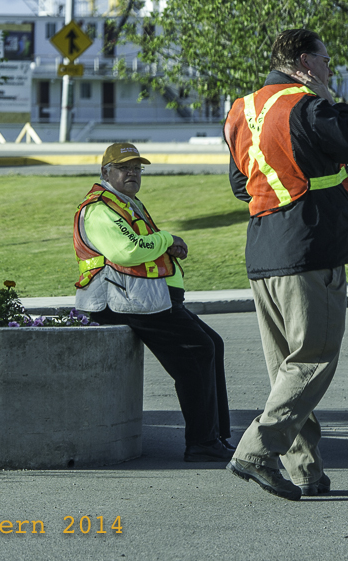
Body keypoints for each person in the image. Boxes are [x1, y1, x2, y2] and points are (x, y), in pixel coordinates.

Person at [222, 28, 348, 501]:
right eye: (326, 60)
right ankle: (256, 452)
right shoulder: (308, 106)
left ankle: (305, 470)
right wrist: (331, 100)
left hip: (263, 253)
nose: (331, 68)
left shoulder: (242, 110)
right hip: (310, 249)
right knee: (313, 359)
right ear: (305, 62)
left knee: (287, 371)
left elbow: (241, 185)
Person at [73, 142, 233, 463]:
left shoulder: (126, 203)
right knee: (198, 350)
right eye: (124, 168)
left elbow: (140, 247)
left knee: (212, 343)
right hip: (121, 299)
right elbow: (128, 250)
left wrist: (163, 246)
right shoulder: (100, 208)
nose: (132, 173)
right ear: (105, 172)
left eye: (137, 168)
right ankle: (202, 443)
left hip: (141, 297)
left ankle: (215, 436)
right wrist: (168, 239)